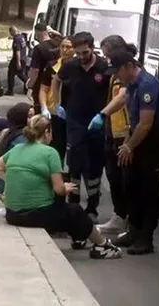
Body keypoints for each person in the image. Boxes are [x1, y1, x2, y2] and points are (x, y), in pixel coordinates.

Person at [0, 115, 122, 259]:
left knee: (63, 210)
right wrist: (64, 187)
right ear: (47, 132)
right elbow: (59, 189)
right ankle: (103, 245)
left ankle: (79, 237)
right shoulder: (50, 153)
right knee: (74, 210)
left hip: (12, 215)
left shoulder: (17, 149)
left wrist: (14, 178)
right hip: (36, 215)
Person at [106, 48, 159, 255]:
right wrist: (127, 144)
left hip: (153, 142)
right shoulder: (131, 86)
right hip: (137, 139)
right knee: (130, 185)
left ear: (128, 67)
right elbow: (133, 122)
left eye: (118, 71)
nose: (116, 76)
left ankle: (146, 237)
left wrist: (129, 146)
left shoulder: (146, 85)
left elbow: (145, 124)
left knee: (148, 191)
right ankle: (132, 229)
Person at [52, 32, 109, 223]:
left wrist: (105, 114)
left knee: (94, 166)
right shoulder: (70, 66)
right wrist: (58, 103)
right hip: (75, 120)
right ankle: (74, 205)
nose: (82, 57)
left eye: (85, 52)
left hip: (96, 121)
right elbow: (56, 80)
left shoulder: (104, 67)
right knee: (74, 164)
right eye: (79, 53)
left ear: (92, 48)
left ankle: (92, 207)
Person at [90, 35, 135, 233]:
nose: (107, 60)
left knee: (122, 179)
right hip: (112, 130)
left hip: (122, 132)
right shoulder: (116, 72)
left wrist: (103, 114)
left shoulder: (126, 73)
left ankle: (123, 218)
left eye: (108, 55)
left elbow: (122, 97)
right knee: (114, 176)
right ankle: (120, 216)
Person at [39, 36, 74, 165]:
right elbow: (44, 89)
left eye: (69, 47)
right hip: (54, 112)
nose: (65, 50)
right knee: (55, 145)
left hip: (72, 113)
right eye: (62, 46)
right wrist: (44, 107)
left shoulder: (78, 67)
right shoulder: (52, 66)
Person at [0, 102, 31, 196]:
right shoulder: (22, 139)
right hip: (9, 188)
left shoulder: (10, 132)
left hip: (2, 184)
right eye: (29, 116)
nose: (33, 119)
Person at [28, 23, 59, 112]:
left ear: (37, 33)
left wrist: (30, 86)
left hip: (41, 84)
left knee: (40, 108)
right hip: (56, 83)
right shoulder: (58, 44)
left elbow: (35, 71)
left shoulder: (38, 48)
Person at [6, 25, 28, 96]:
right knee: (21, 74)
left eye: (10, 32)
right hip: (24, 58)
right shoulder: (22, 37)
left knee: (10, 74)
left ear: (12, 31)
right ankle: (29, 85)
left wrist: (18, 62)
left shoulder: (16, 39)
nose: (10, 34)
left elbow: (17, 51)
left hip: (17, 59)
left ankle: (10, 91)